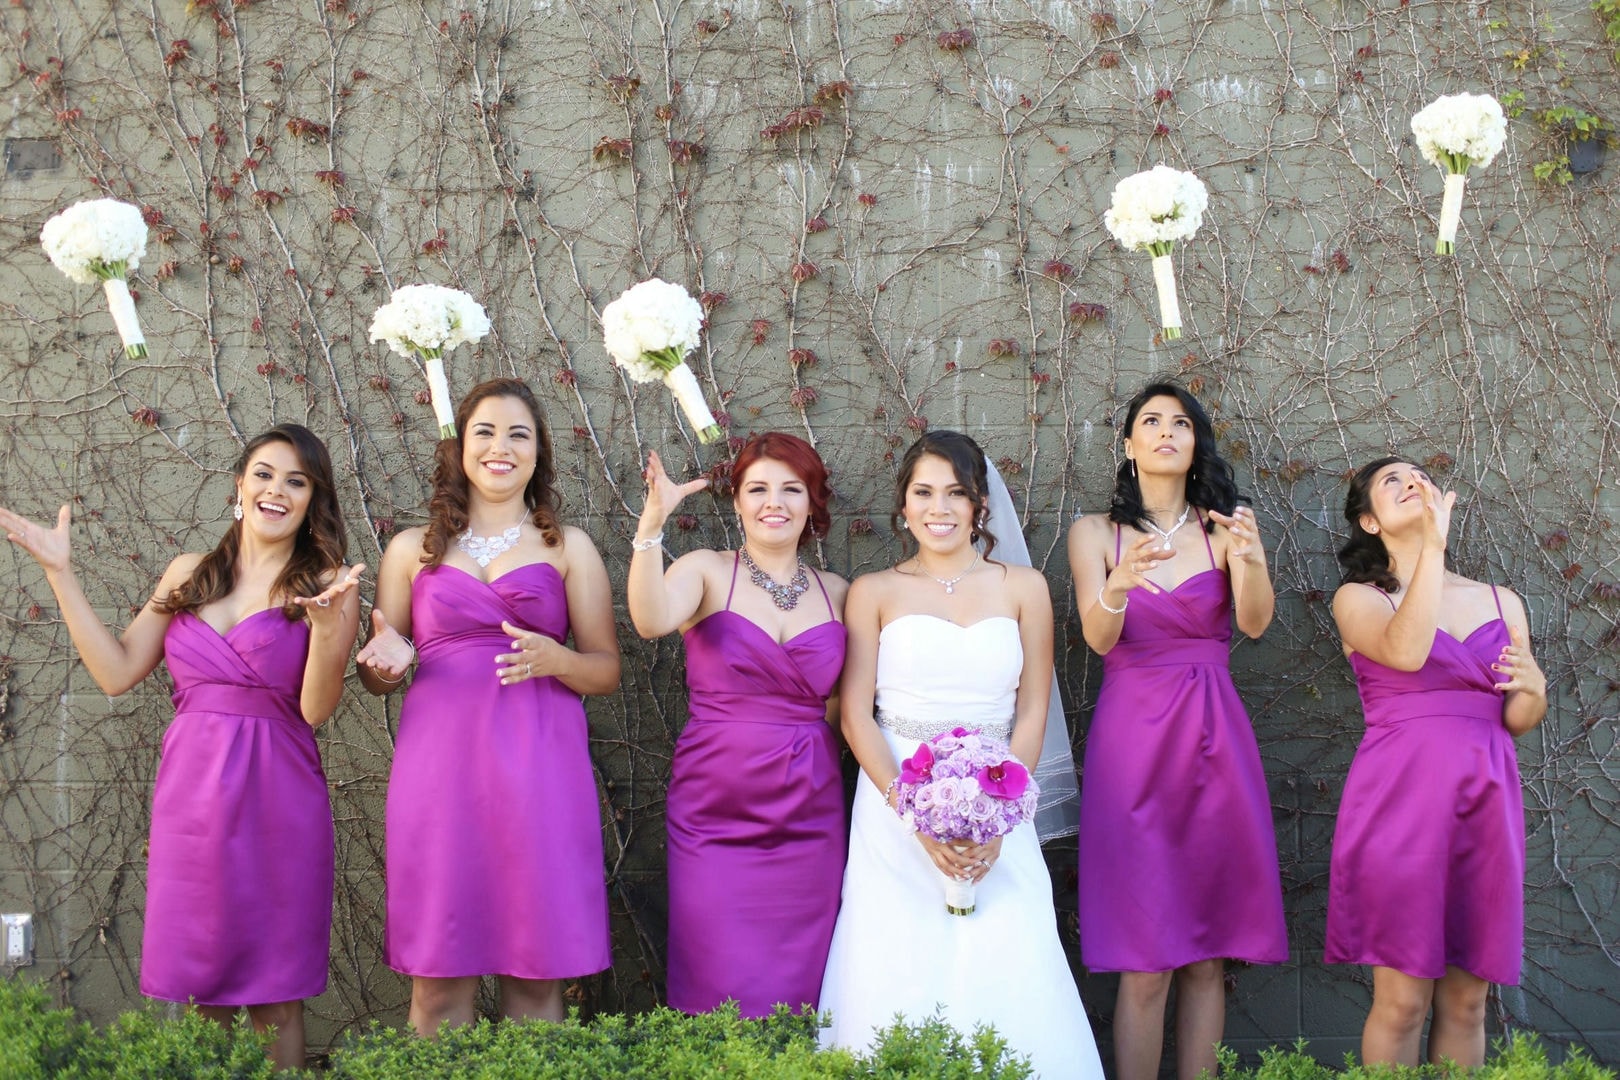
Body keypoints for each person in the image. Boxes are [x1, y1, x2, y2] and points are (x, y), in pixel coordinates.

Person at [0, 424, 361, 1071]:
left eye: (296, 481)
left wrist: (330, 629)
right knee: (203, 992)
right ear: (239, 485)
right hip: (191, 806)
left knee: (276, 998)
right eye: (265, 473)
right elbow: (115, 671)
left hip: (279, 801)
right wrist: (61, 574)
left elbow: (314, 709)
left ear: (314, 501)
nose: (276, 490)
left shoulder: (327, 582)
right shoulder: (189, 573)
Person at [818, 430, 1103, 1080]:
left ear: (979, 505)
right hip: (894, 811)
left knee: (1007, 955)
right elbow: (857, 715)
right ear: (904, 503)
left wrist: (1000, 816)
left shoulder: (1024, 588)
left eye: (955, 493)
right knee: (895, 966)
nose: (938, 508)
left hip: (1001, 803)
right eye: (923, 492)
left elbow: (1032, 709)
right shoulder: (874, 591)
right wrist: (912, 814)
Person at [357, 378, 620, 1036]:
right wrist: (384, 662)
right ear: (460, 448)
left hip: (540, 771)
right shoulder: (411, 551)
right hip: (440, 773)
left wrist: (557, 660)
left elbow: (605, 669)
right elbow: (380, 676)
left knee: (536, 980)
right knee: (438, 983)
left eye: (518, 434)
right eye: (485, 432)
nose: (500, 447)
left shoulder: (569, 548)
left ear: (539, 454)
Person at [1067, 381, 1286, 1080]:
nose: (1167, 431)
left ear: (1196, 445)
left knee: (1209, 955)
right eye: (1151, 422)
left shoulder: (1226, 525)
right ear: (1128, 444)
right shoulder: (1094, 533)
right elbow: (1099, 640)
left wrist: (1248, 559)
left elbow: (1253, 624)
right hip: (1133, 742)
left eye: (1181, 423)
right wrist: (1120, 584)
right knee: (1146, 959)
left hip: (1215, 735)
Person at [1326, 457, 1544, 1067]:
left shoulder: (1504, 601)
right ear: (1369, 520)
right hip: (1401, 805)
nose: (1410, 483)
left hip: (1487, 801)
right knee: (1402, 1005)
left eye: (1417, 475)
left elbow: (1515, 719)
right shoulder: (1358, 599)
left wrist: (1536, 690)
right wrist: (1432, 554)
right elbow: (1407, 649)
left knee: (1469, 1004)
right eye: (1390, 481)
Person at [626, 432, 848, 1017]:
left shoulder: (841, 594)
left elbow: (843, 708)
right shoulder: (705, 570)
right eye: (758, 489)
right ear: (738, 502)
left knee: (807, 982)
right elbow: (650, 620)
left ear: (812, 502)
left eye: (790, 488)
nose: (773, 502)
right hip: (714, 813)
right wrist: (652, 527)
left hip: (809, 813)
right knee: (717, 978)